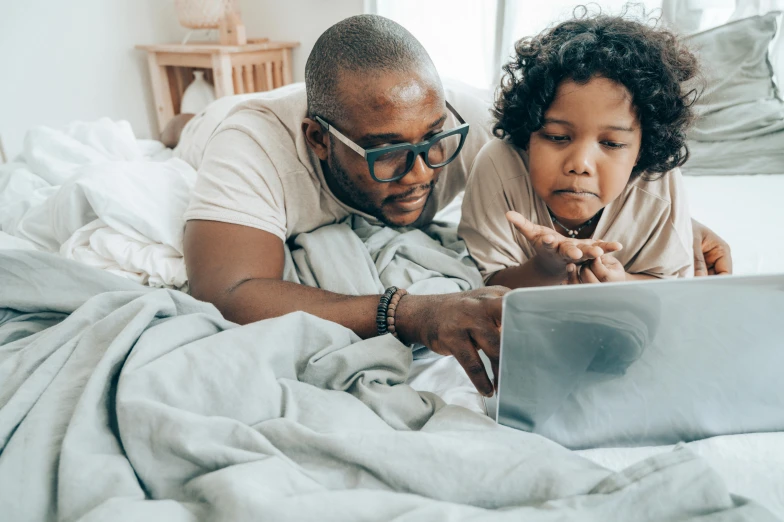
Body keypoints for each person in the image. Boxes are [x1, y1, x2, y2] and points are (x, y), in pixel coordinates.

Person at [181, 15, 732, 397]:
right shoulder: (253, 151)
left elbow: (574, 153)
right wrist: (408, 311)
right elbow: (226, 291)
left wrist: (676, 221)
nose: (422, 171)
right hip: (211, 132)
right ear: (320, 140)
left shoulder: (471, 124)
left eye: (433, 141)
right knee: (186, 127)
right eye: (387, 153)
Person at [460, 12, 705, 288]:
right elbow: (488, 284)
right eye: (557, 136)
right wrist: (546, 268)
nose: (580, 164)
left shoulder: (659, 181)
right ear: (527, 135)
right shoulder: (497, 165)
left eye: (612, 143)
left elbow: (671, 285)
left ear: (643, 150)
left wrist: (620, 282)